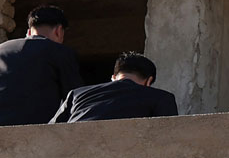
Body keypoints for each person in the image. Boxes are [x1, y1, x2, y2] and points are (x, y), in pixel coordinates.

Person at [51, 52, 179, 123]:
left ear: (113, 77)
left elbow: (48, 130)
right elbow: (169, 137)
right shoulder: (161, 98)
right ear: (149, 81)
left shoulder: (76, 95)